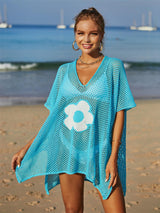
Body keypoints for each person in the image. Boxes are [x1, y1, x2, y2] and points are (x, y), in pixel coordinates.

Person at [11, 7, 136, 213]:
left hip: (102, 152)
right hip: (67, 150)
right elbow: (54, 118)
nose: (86, 39)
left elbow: (119, 112)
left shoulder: (113, 67)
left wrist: (113, 158)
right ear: (75, 35)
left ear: (101, 35)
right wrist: (27, 148)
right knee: (73, 210)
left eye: (92, 33)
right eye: (80, 33)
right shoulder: (63, 71)